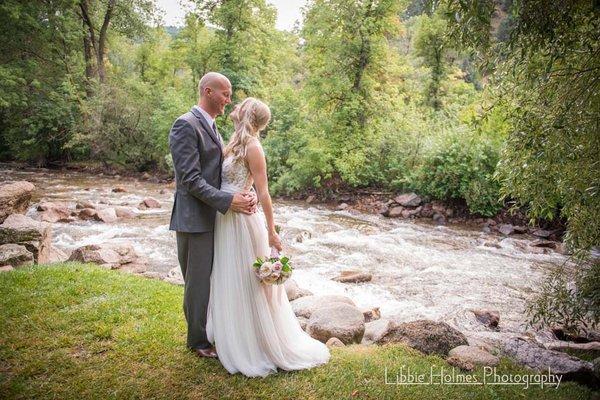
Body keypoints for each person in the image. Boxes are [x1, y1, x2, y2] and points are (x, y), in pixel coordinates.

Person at [206, 97, 330, 377]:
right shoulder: (233, 142)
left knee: (245, 281)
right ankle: (229, 333)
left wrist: (272, 231)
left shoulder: (253, 147)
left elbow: (263, 192)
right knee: (226, 276)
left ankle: (252, 343)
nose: (234, 105)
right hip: (225, 217)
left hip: (242, 222)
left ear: (247, 113)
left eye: (240, 104)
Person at [168, 72, 257, 358]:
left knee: (211, 277)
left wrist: (246, 191)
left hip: (214, 216)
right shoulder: (185, 125)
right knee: (198, 280)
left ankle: (211, 331)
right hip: (195, 218)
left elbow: (221, 173)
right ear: (208, 92)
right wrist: (228, 200)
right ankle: (198, 341)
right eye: (225, 94)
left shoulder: (213, 127)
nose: (229, 100)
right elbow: (190, 180)